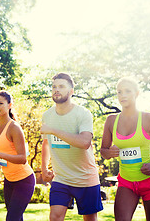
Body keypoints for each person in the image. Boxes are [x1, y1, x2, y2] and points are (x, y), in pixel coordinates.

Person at [41, 72, 103, 221]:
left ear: (71, 91)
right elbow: (46, 143)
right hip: (61, 178)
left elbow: (84, 142)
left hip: (85, 178)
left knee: (89, 219)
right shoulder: (47, 115)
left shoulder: (83, 114)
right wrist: (44, 169)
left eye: (61, 86)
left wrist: (54, 130)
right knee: (55, 217)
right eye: (54, 87)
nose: (56, 89)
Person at [101, 78, 150, 221]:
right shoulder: (111, 120)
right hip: (126, 182)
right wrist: (109, 152)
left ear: (136, 93)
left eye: (127, 91)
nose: (123, 95)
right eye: (119, 92)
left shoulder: (149, 118)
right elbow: (103, 151)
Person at [0, 90, 35, 221]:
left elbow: (22, 158)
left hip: (24, 180)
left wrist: (0, 154)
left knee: (12, 219)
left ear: (9, 105)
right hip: (9, 180)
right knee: (16, 218)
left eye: (0, 103)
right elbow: (1, 154)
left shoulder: (14, 128)